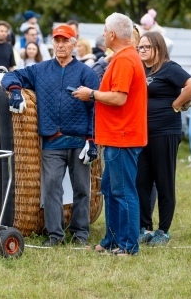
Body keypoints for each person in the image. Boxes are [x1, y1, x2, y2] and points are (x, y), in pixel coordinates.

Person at [2, 24, 99, 247]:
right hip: (52, 142)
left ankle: (80, 232)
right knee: (52, 188)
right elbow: (11, 75)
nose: (61, 45)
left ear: (74, 43)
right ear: (52, 43)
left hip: (80, 141)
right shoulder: (40, 69)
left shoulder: (87, 73)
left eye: (65, 41)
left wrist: (92, 140)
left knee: (82, 189)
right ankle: (55, 235)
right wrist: (15, 90)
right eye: (57, 40)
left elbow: (96, 108)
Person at [77, 13, 148, 256]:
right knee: (110, 189)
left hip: (123, 136)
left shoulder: (125, 60)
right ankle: (113, 239)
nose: (104, 34)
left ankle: (128, 246)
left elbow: (119, 97)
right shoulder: (123, 58)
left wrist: (92, 94)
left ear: (113, 34)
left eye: (105, 30)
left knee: (123, 191)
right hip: (116, 136)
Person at [135, 32, 191, 246]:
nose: (141, 50)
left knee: (164, 181)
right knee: (141, 181)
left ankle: (163, 230)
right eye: (139, 47)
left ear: (158, 48)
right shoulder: (142, 69)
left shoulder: (170, 68)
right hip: (143, 133)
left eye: (145, 47)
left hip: (165, 132)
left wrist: (175, 105)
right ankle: (145, 227)